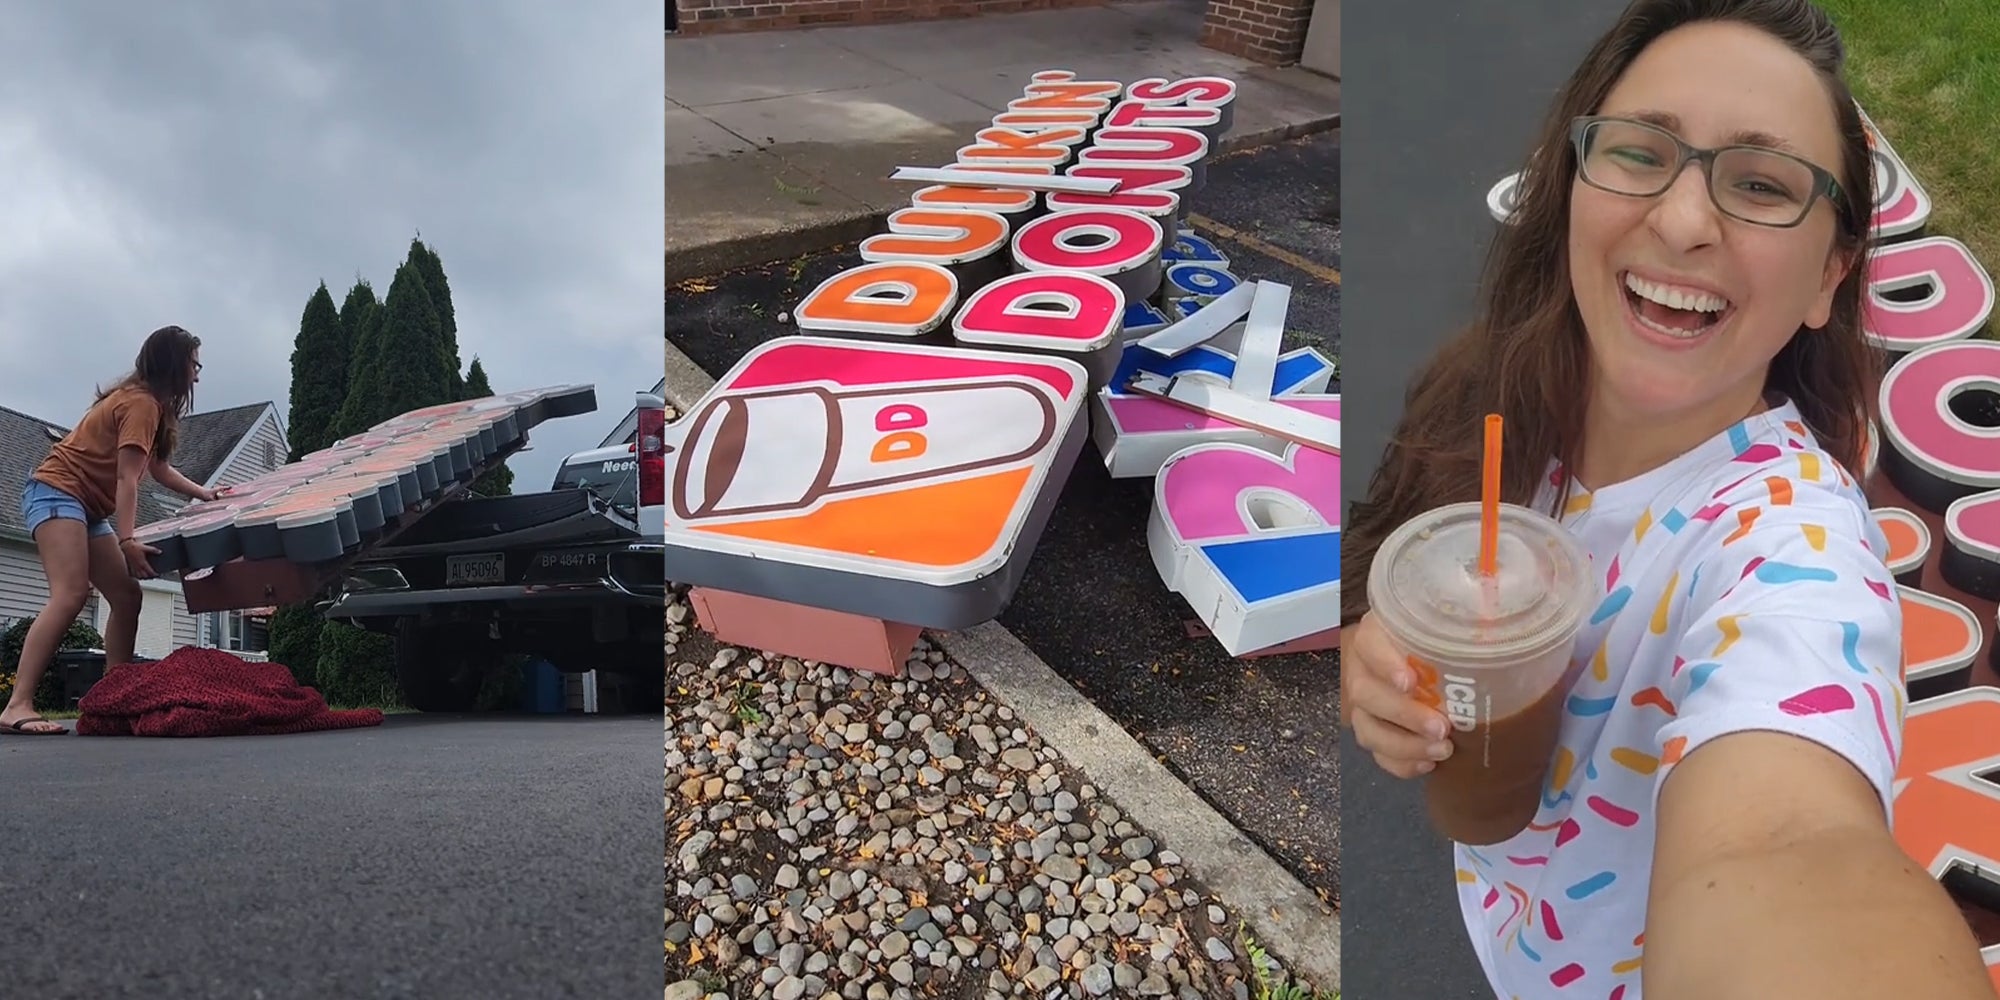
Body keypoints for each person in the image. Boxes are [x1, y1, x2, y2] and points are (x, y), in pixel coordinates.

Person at [1341, 1, 1995, 997]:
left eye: (1761, 183)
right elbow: (1378, 565)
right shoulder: (1484, 390)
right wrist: (1371, 657)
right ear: (1571, 187)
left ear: (1828, 275)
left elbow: (1791, 842)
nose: (1683, 220)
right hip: (1501, 912)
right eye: (1640, 153)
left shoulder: (1789, 548)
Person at [2, 325, 221, 736]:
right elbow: (127, 480)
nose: (198, 374)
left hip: (86, 506)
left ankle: (111, 701)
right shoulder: (140, 404)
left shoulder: (148, 405)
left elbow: (157, 468)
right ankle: (17, 704)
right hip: (57, 492)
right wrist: (127, 540)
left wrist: (203, 493)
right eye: (195, 364)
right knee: (70, 594)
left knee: (126, 594)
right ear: (175, 365)